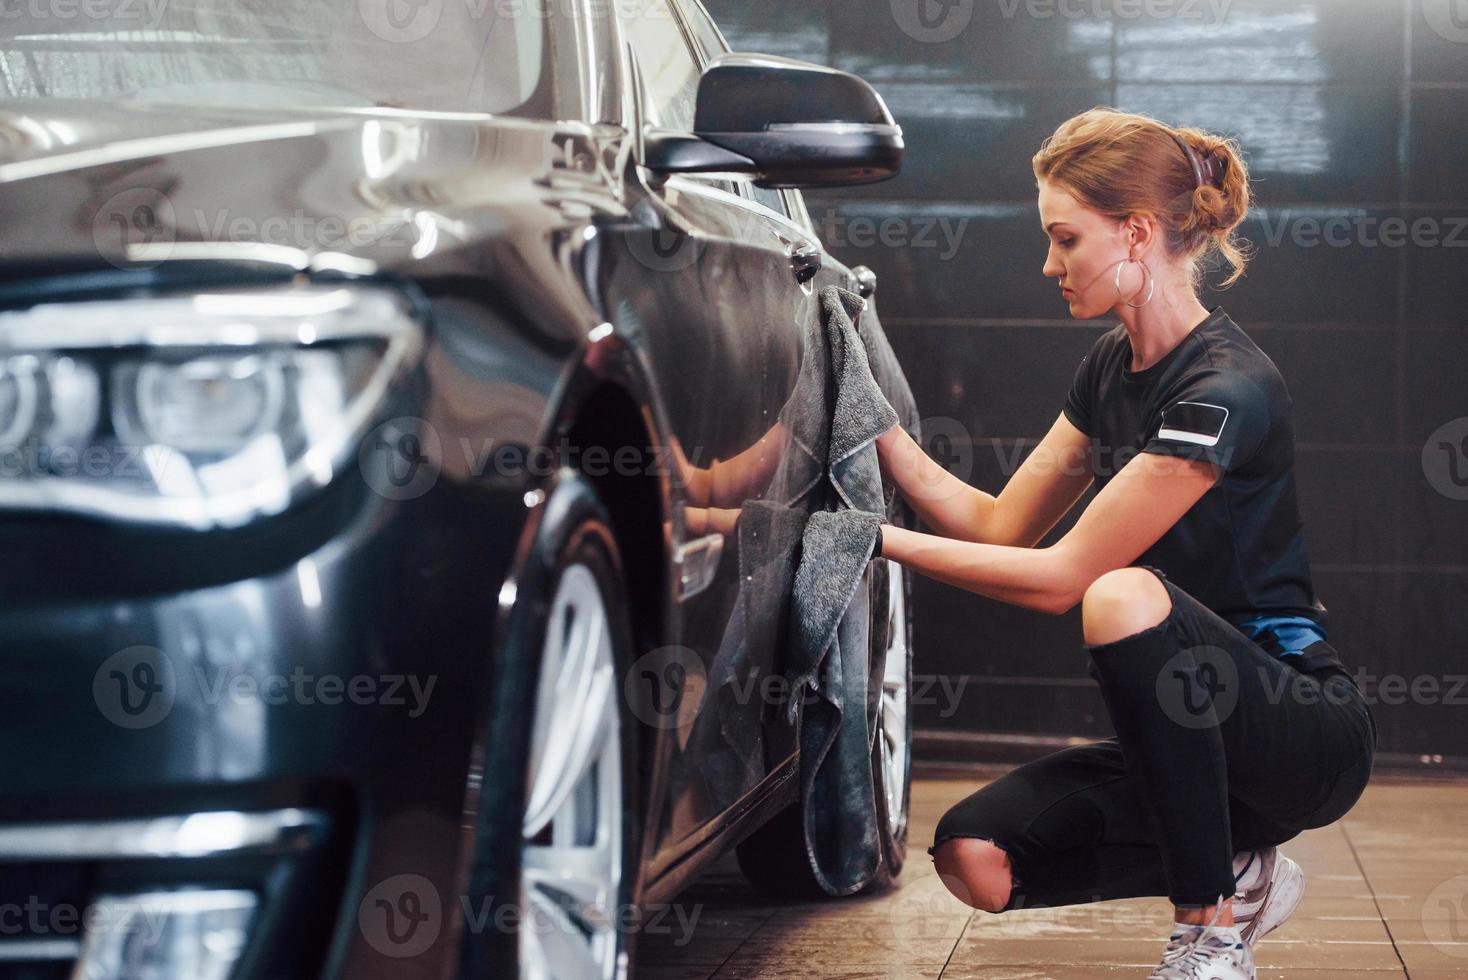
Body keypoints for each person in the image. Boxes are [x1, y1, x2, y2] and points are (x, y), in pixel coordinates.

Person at [870, 107, 1376, 980]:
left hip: (1298, 735)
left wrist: (867, 542)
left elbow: (1059, 579)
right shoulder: (1107, 368)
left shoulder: (1225, 388)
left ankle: (1211, 934)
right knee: (975, 859)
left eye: (1065, 239)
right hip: (1186, 741)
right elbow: (1001, 525)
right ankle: (1242, 867)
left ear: (1137, 233)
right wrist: (869, 427)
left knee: (1119, 591)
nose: (1049, 264)